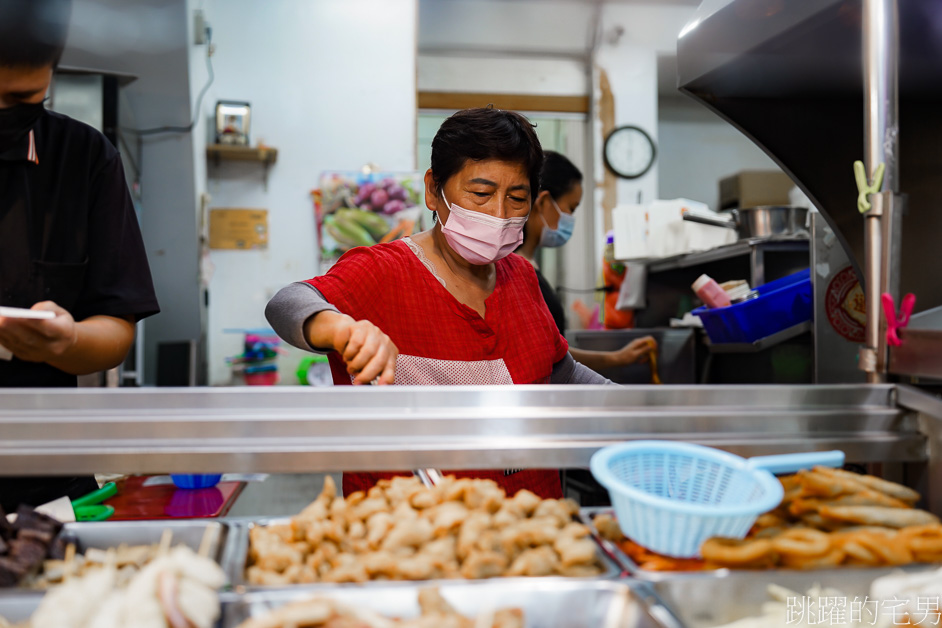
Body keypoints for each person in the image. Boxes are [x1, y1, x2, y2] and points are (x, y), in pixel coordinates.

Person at [267, 107, 609, 499]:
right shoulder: (384, 271)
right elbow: (287, 302)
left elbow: (557, 374)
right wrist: (340, 328)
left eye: (516, 198)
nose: (498, 216)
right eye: (480, 194)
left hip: (527, 526)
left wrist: (636, 410)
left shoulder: (524, 277)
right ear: (433, 190)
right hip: (410, 535)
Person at [0, 0, 160, 510]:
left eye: (22, 97)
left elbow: (115, 329)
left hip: (39, 482)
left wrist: (63, 341)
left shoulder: (83, 158)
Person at [515, 151, 657, 375]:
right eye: (571, 208)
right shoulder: (514, 274)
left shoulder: (527, 267)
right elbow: (549, 354)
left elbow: (553, 350)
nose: (570, 218)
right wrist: (617, 358)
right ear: (543, 202)